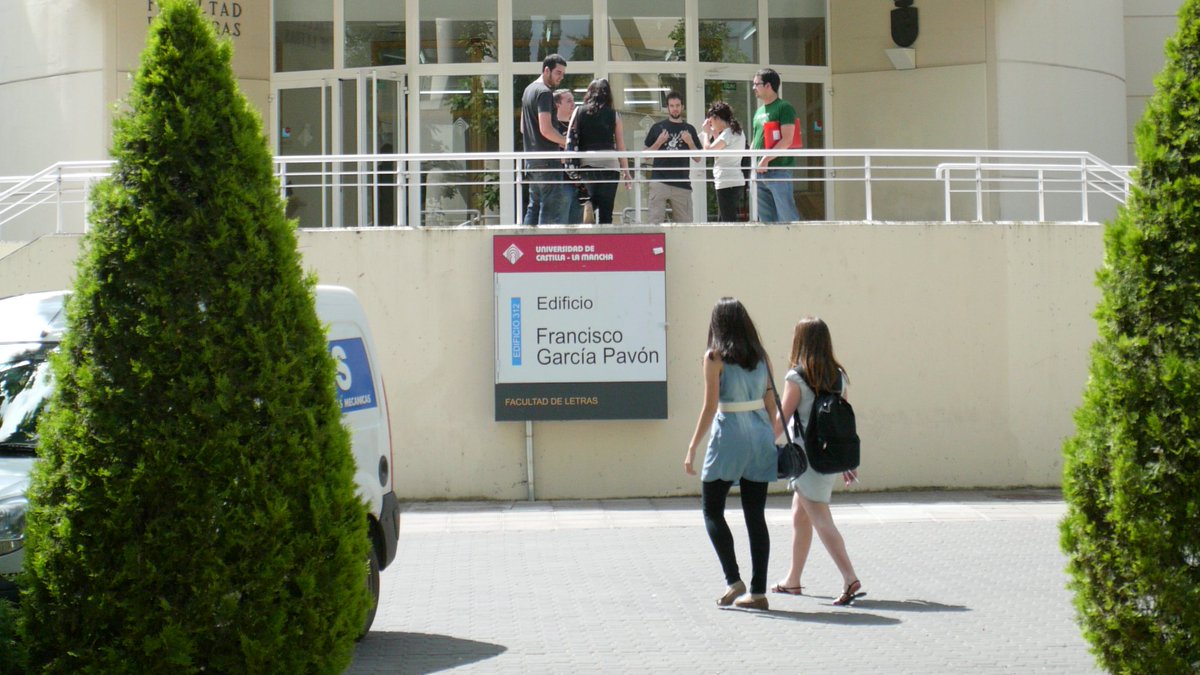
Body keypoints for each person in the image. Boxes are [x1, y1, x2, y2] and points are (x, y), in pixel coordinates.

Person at [685, 297, 777, 611]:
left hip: (729, 436)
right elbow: (770, 403)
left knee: (712, 510)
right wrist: (773, 438)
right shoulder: (762, 357)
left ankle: (733, 578)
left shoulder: (714, 357)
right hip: (760, 435)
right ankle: (759, 591)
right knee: (756, 516)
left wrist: (693, 446)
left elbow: (710, 406)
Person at [771, 316, 865, 606]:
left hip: (806, 459)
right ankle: (792, 581)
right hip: (827, 457)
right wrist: (846, 461)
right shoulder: (838, 375)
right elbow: (840, 422)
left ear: (800, 342)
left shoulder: (796, 378)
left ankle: (850, 578)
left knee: (821, 519)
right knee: (801, 516)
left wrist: (760, 443)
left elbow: (781, 420)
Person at [568, 78, 632, 224]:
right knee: (606, 212)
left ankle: (590, 204)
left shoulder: (579, 111)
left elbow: (570, 139)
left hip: (587, 165)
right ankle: (605, 244)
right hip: (610, 165)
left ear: (589, 93)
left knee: (590, 197)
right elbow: (621, 146)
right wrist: (626, 171)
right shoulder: (613, 114)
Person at [521, 54, 570, 225]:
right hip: (548, 161)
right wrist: (567, 142)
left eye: (563, 74)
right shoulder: (544, 93)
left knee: (533, 207)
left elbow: (522, 128)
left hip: (532, 161)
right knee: (550, 209)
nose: (561, 77)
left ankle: (527, 247)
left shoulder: (528, 90)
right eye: (558, 73)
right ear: (546, 70)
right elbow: (546, 130)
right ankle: (544, 248)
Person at [749, 68, 800, 223]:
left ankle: (793, 246)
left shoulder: (784, 107)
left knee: (786, 218)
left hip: (778, 171)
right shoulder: (759, 112)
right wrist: (751, 163)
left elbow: (787, 140)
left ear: (768, 86)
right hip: (759, 173)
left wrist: (765, 159)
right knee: (767, 221)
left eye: (756, 84)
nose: (753, 88)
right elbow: (755, 140)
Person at [643, 91, 701, 223]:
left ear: (682, 107)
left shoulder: (689, 129)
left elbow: (698, 158)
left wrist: (690, 142)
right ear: (668, 107)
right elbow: (645, 155)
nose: (675, 108)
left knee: (685, 226)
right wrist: (658, 142)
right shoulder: (657, 127)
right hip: (659, 181)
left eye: (677, 105)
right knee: (655, 223)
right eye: (672, 105)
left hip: (682, 183)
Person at [700, 102, 746, 222]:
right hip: (734, 181)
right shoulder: (736, 131)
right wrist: (714, 133)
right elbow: (720, 150)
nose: (711, 125)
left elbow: (708, 151)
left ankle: (731, 241)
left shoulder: (728, 133)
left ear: (717, 118)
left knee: (727, 221)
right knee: (725, 219)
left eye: (711, 121)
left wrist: (706, 133)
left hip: (726, 182)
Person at [553, 88, 587, 224]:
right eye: (568, 101)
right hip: (561, 179)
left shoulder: (578, 125)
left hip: (579, 181)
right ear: (557, 105)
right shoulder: (552, 127)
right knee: (561, 219)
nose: (573, 104)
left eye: (573, 100)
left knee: (577, 222)